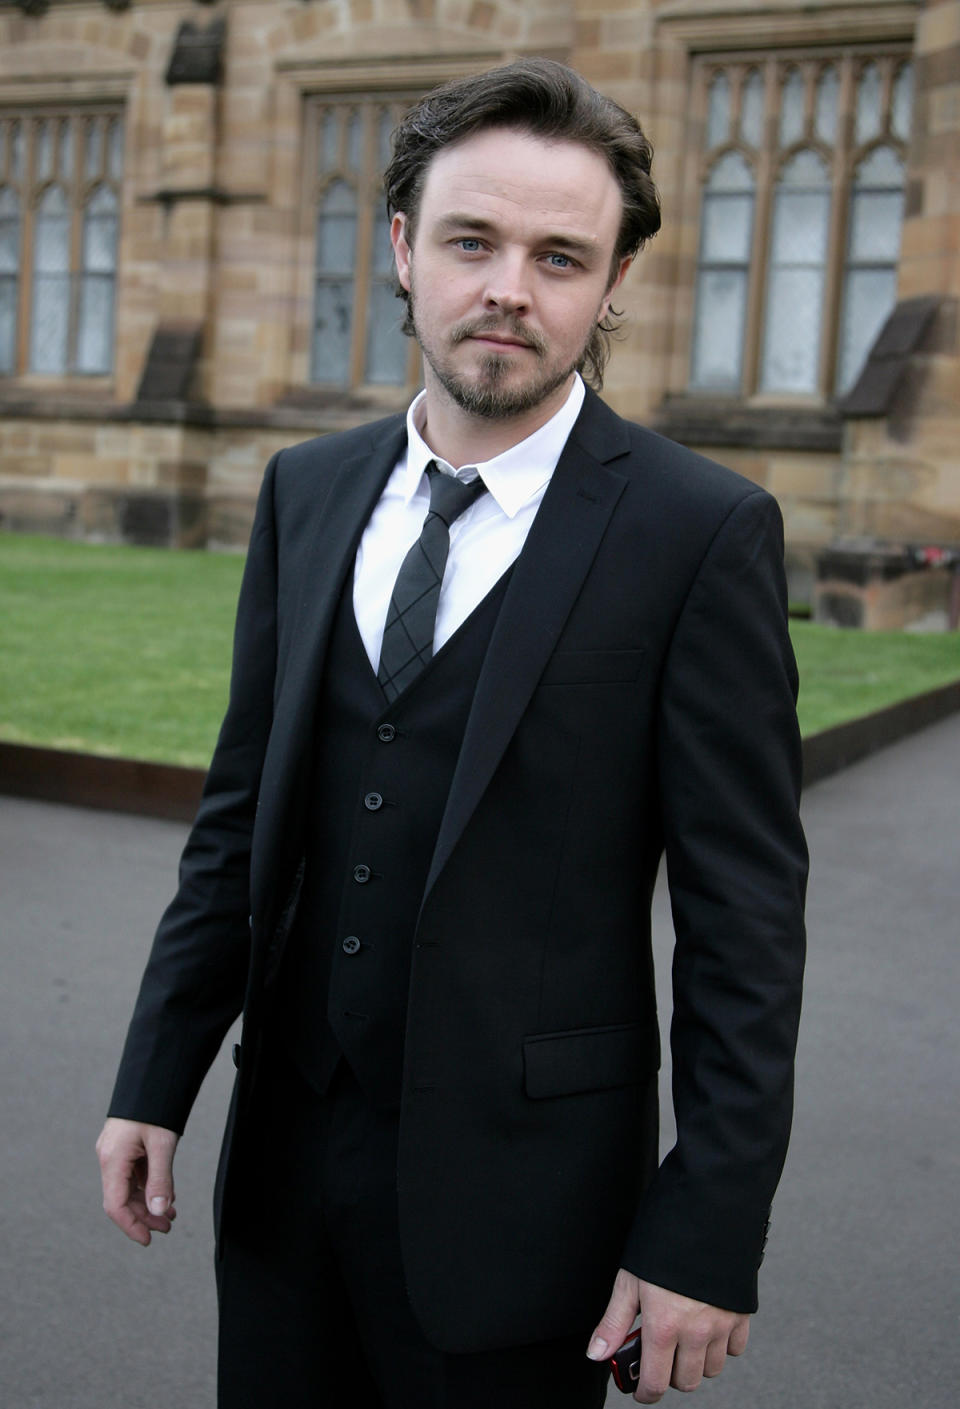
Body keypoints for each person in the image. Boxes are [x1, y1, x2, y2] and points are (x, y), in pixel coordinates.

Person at [96, 58, 807, 1409]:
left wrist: (708, 1226)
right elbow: (240, 816)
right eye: (474, 241)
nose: (510, 290)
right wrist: (155, 1078)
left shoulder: (697, 532)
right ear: (405, 248)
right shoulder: (307, 489)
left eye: (560, 257)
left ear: (612, 286)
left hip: (525, 1207)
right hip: (286, 1175)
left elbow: (746, 918)